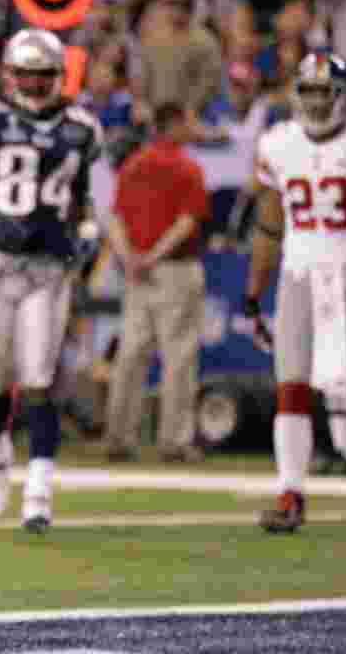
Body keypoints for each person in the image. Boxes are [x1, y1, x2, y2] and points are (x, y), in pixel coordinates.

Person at [0, 28, 102, 533]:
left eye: (43, 74)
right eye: (25, 74)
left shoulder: (82, 129)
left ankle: (39, 489)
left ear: (59, 76)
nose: (33, 84)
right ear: (10, 76)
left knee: (39, 379)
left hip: (49, 269)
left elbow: (83, 197)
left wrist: (91, 229)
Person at [245, 51, 346, 534]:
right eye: (306, 91)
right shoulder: (278, 143)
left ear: (343, 96)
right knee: (291, 387)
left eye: (322, 92)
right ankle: (290, 493)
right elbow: (269, 223)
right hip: (298, 274)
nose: (314, 101)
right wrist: (254, 286)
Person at [104, 101, 209, 465]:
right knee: (178, 356)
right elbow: (187, 222)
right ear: (175, 124)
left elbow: (114, 219)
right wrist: (156, 256)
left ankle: (118, 435)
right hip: (174, 270)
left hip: (137, 271)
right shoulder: (187, 167)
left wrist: (129, 257)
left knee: (131, 354)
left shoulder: (133, 165)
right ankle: (173, 441)